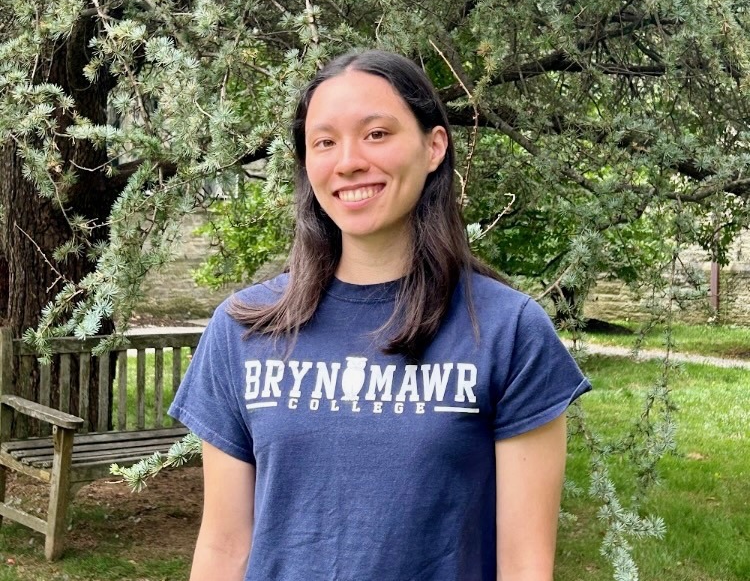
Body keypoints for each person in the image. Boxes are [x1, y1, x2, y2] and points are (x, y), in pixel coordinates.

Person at [169, 49, 591, 581]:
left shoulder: (509, 332)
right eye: (324, 142)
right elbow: (224, 547)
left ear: (434, 146)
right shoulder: (243, 329)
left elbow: (525, 564)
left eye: (376, 134)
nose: (347, 161)